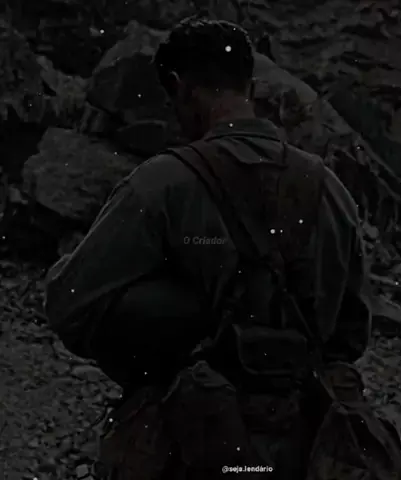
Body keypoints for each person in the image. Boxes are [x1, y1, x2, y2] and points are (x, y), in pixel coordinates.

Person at [44, 17, 372, 479]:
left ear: (181, 88)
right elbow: (352, 332)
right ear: (250, 86)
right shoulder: (330, 189)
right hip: (307, 448)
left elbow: (70, 305)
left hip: (188, 445)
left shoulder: (162, 183)